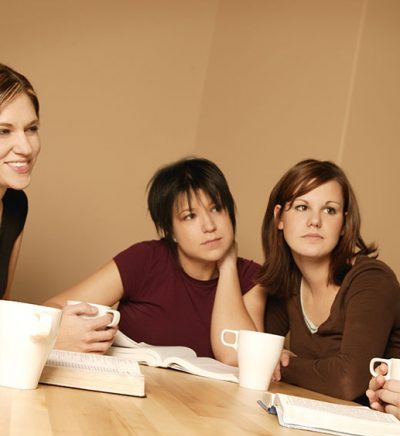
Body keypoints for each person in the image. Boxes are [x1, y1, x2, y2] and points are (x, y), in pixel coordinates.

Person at [46, 157, 265, 364]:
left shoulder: (251, 278)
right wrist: (65, 335)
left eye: (216, 208)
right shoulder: (145, 259)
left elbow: (237, 358)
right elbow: (51, 308)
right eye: (190, 216)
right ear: (171, 231)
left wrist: (228, 266)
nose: (209, 226)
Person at [258, 159, 400, 401]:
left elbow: (349, 382)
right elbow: (254, 351)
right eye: (302, 207)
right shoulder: (289, 283)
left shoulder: (372, 280)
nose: (315, 220)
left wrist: (285, 365)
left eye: (329, 210)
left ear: (344, 224)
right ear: (279, 217)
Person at [0, 63, 41, 299]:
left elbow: (3, 309)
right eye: (3, 131)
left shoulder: (15, 204)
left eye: (31, 129)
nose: (26, 148)